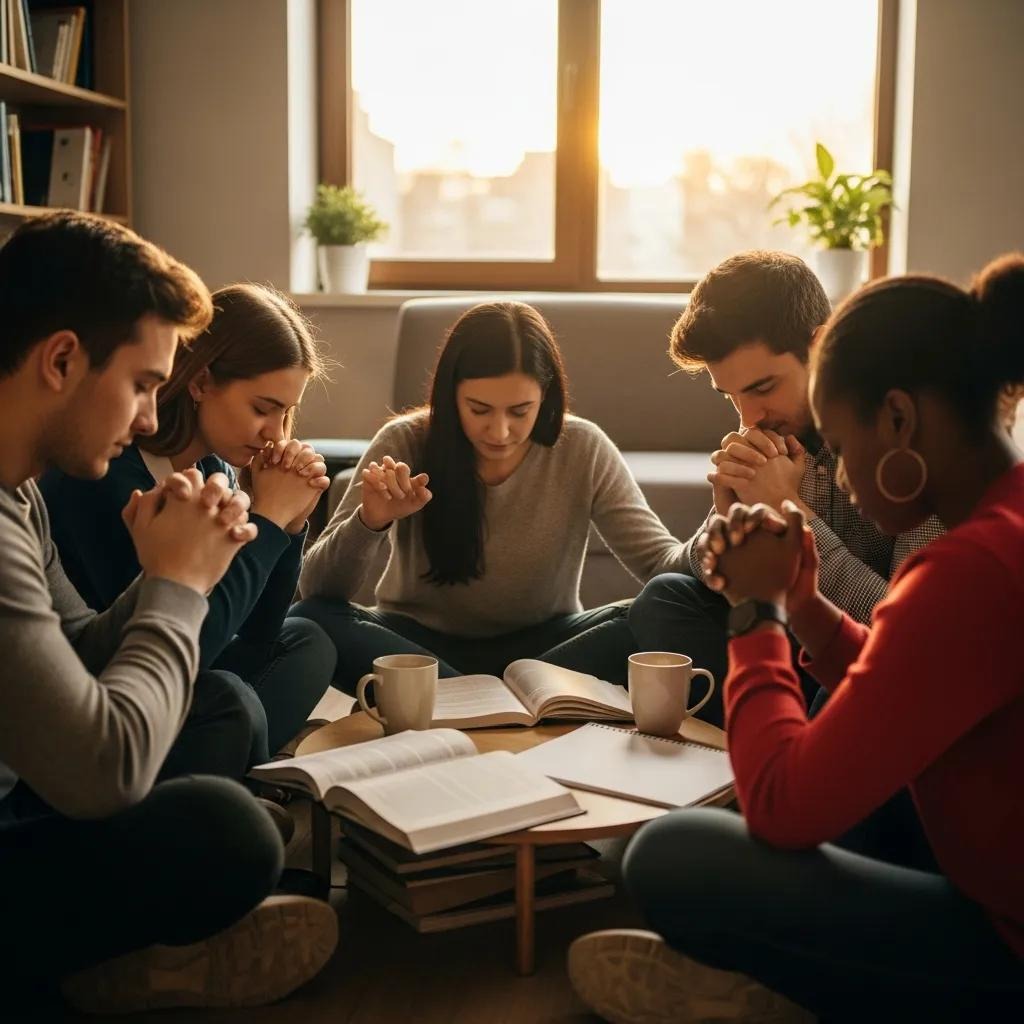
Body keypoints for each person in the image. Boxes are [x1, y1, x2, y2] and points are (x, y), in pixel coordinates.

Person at [569, 254, 1024, 1022]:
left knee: (668, 854)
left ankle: (798, 992)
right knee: (668, 610)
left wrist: (760, 609)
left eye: (842, 451)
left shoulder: (964, 567)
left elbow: (782, 807)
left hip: (1003, 944)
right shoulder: (1003, 516)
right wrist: (803, 602)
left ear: (900, 422)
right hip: (979, 859)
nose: (839, 479)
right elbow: (913, 675)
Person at [0, 212, 336, 1013]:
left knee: (230, 797)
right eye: (145, 385)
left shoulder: (16, 495)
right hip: (53, 788)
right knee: (230, 828)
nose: (152, 417)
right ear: (60, 360)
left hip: (31, 792)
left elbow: (80, 641)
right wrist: (181, 584)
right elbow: (101, 774)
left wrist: (193, 561)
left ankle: (96, 969)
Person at [294, 300, 691, 691]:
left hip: (549, 650)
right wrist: (370, 521)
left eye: (520, 411)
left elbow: (662, 567)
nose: (499, 432)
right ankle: (507, 701)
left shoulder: (583, 446)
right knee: (311, 619)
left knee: (668, 600)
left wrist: (716, 531)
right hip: (418, 648)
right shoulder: (404, 440)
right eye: (479, 409)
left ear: (546, 396)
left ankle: (467, 700)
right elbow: (317, 589)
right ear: (451, 395)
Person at [628, 251, 943, 726]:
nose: (747, 417)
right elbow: (683, 569)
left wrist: (791, 511)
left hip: (882, 666)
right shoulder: (777, 431)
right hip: (791, 647)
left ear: (820, 346)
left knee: (844, 693)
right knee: (662, 600)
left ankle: (767, 749)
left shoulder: (906, 437)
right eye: (730, 396)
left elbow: (898, 633)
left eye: (762, 387)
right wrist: (728, 520)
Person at [41, 284, 336, 764]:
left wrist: (290, 528)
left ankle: (241, 756)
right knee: (229, 698)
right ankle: (245, 760)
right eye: (262, 409)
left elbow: (259, 629)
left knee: (308, 639)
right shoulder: (112, 476)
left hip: (191, 669)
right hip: (118, 688)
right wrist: (269, 518)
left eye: (286, 413)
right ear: (200, 383)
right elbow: (190, 651)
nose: (276, 434)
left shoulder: (212, 469)